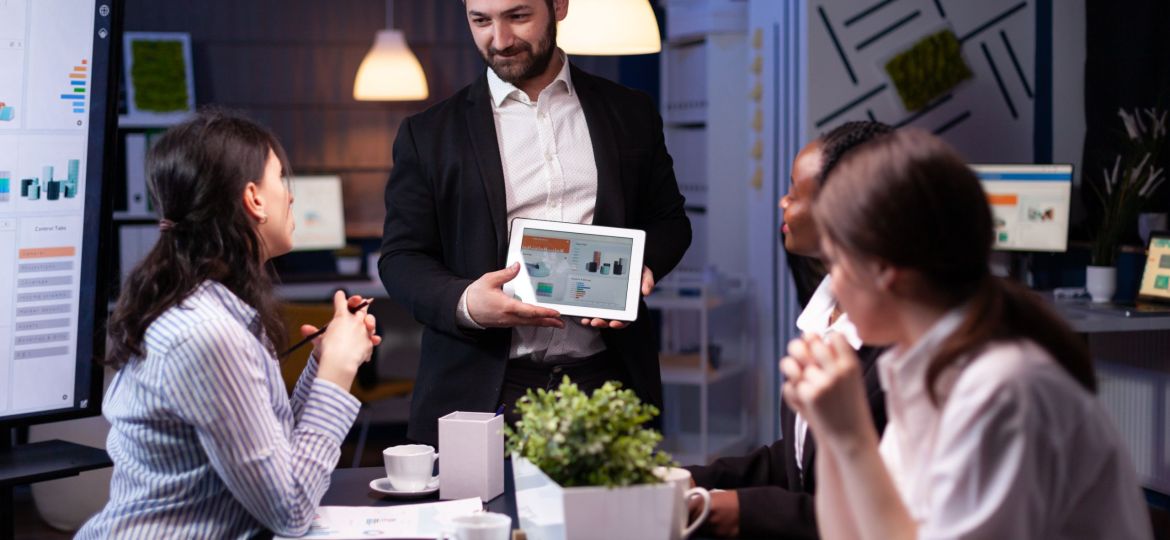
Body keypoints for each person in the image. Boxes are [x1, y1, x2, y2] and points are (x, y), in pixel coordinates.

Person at [782, 128, 1153, 539]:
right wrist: (835, 436)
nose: (831, 282)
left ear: (885, 268)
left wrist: (850, 436)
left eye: (835, 260)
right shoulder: (914, 371)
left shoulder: (1003, 389)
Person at [378, 0, 691, 445]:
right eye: (481, 21)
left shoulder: (630, 112)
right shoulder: (428, 134)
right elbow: (401, 258)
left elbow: (669, 221)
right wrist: (466, 302)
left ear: (559, 6)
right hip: (480, 388)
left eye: (518, 16)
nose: (500, 40)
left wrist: (640, 268)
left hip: (607, 379)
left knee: (613, 517)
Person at [78, 111, 381, 538]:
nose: (291, 197)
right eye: (281, 178)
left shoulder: (215, 310)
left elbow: (271, 459)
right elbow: (289, 508)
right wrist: (338, 372)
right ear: (254, 199)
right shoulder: (207, 334)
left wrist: (321, 366)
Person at [685, 121, 892, 539]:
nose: (783, 202)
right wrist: (694, 479)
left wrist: (746, 511)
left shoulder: (895, 355)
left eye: (795, 193)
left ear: (847, 207)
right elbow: (798, 463)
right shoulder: (824, 315)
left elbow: (882, 517)